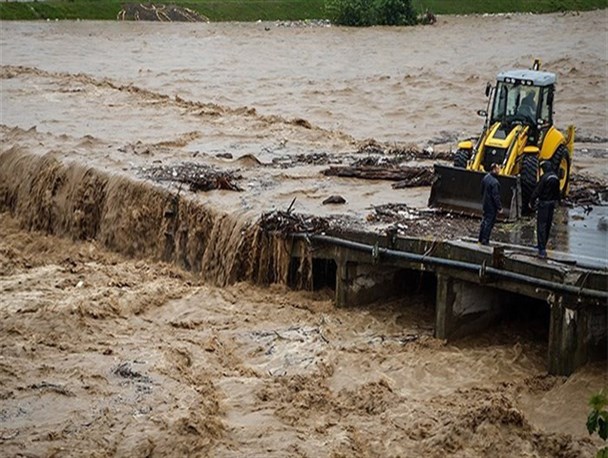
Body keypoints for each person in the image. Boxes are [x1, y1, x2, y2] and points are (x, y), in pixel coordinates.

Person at [529, 160, 561, 258]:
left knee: (541, 226)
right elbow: (558, 193)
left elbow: (537, 191)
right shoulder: (556, 178)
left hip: (543, 204)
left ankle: (541, 248)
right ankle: (542, 245)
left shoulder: (544, 178)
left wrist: (531, 201)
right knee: (547, 225)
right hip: (551, 204)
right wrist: (557, 202)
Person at [478, 163, 503, 245]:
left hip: (485, 203)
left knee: (484, 220)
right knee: (489, 222)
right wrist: (499, 207)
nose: (499, 170)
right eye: (498, 168)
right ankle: (485, 240)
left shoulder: (486, 178)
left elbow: (481, 190)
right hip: (491, 206)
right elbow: (496, 196)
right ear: (494, 169)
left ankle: (481, 238)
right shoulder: (495, 183)